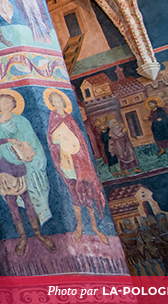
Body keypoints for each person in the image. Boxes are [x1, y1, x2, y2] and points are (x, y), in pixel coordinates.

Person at [0, 91, 55, 256]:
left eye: (8, 102)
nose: (6, 106)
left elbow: (31, 139)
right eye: (2, 104)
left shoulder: (21, 121)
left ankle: (38, 233)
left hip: (21, 166)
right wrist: (9, 141)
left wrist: (30, 154)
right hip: (5, 169)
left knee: (28, 201)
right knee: (12, 205)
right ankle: (23, 237)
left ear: (13, 104)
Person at [45, 89, 110, 244]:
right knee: (74, 192)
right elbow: (51, 140)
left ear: (63, 102)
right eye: (54, 102)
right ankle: (79, 225)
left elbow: (81, 141)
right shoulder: (52, 118)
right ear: (52, 104)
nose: (57, 104)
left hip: (79, 161)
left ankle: (95, 227)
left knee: (88, 191)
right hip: (65, 161)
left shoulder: (70, 118)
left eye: (59, 101)